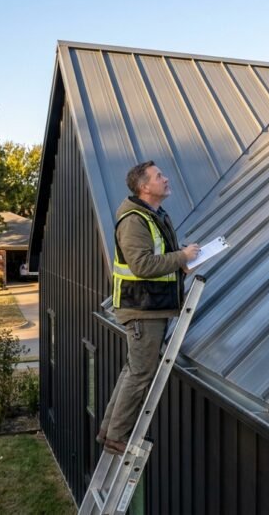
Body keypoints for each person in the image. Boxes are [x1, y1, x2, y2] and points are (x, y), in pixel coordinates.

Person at [98, 161, 199, 455]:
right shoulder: (134, 221)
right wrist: (181, 257)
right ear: (145, 187)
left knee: (134, 371)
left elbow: (159, 260)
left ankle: (109, 430)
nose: (166, 179)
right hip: (142, 308)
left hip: (151, 305)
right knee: (141, 373)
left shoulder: (155, 216)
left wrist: (181, 266)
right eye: (159, 176)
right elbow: (141, 265)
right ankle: (117, 437)